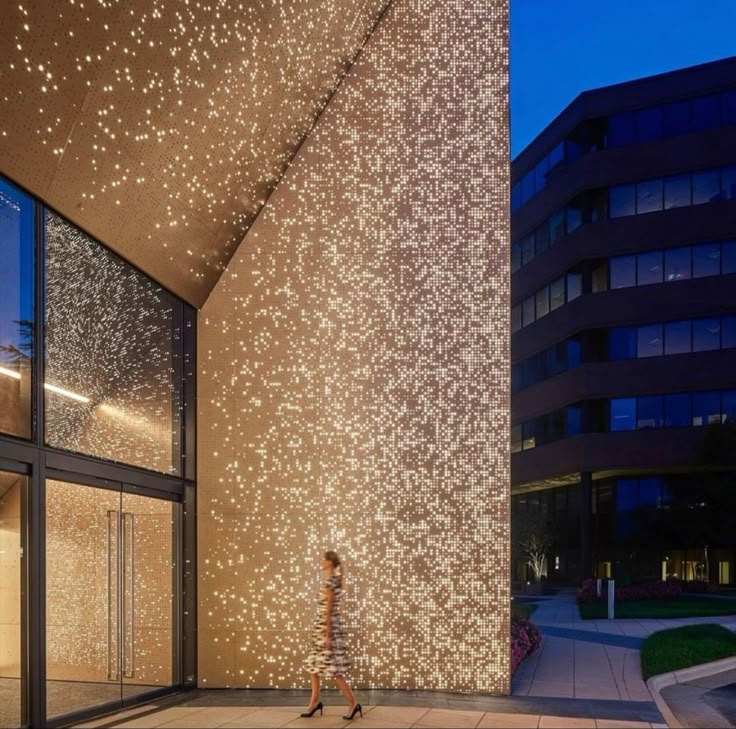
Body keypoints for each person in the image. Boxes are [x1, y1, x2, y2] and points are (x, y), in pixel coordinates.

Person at [301, 550, 362, 720]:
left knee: (335, 671)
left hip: (327, 630)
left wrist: (327, 634)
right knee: (313, 667)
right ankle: (314, 701)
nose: (321, 561)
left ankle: (352, 703)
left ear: (329, 562)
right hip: (324, 629)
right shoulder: (333, 581)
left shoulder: (330, 582)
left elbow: (329, 609)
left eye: (324, 559)